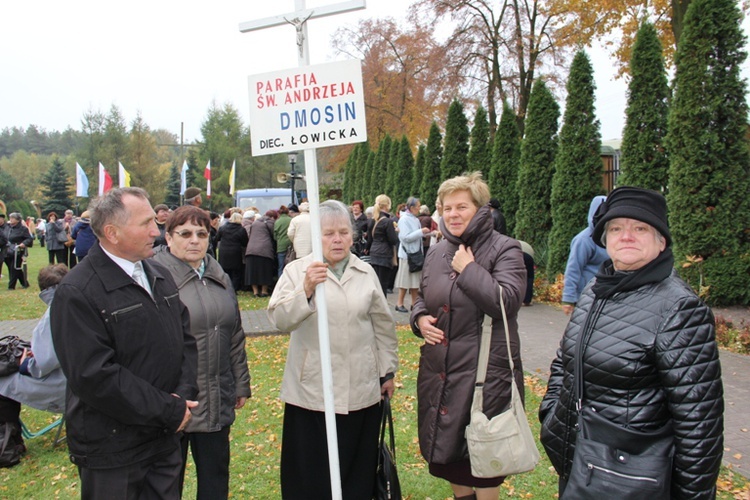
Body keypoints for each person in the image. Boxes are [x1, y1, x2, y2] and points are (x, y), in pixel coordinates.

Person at [539, 186, 724, 499]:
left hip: (631, 479)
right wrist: (552, 413)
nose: (626, 236)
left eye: (640, 228)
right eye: (615, 228)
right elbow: (564, 359)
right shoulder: (597, 288)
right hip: (580, 463)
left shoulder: (679, 308)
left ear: (661, 240)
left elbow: (699, 425)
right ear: (604, 239)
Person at [50, 187, 198, 500]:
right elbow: (94, 375)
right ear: (112, 233)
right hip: (114, 448)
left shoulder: (158, 273)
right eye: (145, 223)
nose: (156, 231)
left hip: (164, 436)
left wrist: (181, 400)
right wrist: (169, 409)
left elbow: (183, 341)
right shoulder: (78, 291)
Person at [268, 199, 398, 499]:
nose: (337, 239)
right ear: (316, 236)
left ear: (353, 236)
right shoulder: (297, 270)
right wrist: (306, 290)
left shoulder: (365, 274)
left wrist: (387, 371)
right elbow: (278, 319)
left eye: (343, 232)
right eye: (328, 233)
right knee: (310, 474)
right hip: (311, 393)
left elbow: (383, 327)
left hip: (360, 390)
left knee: (355, 471)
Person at [410, 172, 527, 500]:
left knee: (484, 461)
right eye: (447, 208)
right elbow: (424, 295)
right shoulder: (437, 250)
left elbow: (507, 302)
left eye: (462, 207)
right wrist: (419, 318)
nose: (453, 214)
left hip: (485, 374)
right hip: (440, 372)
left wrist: (470, 270)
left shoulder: (505, 248)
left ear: (481, 209)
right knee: (448, 459)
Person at [152, 205, 251, 499]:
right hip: (173, 401)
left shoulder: (219, 275)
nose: (194, 240)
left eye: (202, 233)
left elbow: (234, 333)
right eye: (185, 233)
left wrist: (240, 382)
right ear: (168, 238)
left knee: (215, 478)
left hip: (216, 397)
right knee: (168, 481)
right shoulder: (154, 277)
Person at [0, 264, 69, 463]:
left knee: (3, 383)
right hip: (80, 379)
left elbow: (43, 364)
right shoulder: (78, 303)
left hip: (65, 385)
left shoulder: (55, 312)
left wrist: (25, 362)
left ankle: (9, 443)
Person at [560, 195, 609, 315]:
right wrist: (568, 298)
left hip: (605, 293)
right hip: (585, 295)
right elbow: (573, 268)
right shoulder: (584, 240)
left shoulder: (611, 237)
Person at [395, 197, 430, 313]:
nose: (419, 209)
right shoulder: (404, 219)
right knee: (405, 281)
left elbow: (415, 235)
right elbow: (405, 237)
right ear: (411, 208)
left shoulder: (414, 219)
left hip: (415, 253)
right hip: (407, 254)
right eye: (418, 207)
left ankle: (414, 303)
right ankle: (399, 303)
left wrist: (427, 234)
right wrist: (421, 232)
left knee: (415, 281)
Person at [366, 194, 399, 296]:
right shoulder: (388, 221)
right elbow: (393, 240)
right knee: (383, 284)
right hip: (384, 254)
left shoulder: (373, 220)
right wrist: (396, 231)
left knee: (375, 282)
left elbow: (369, 239)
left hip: (374, 252)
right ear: (387, 205)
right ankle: (382, 306)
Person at [244, 209, 277, 297]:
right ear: (273, 217)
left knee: (252, 272)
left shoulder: (255, 223)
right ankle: (264, 291)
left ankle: (255, 292)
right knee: (265, 271)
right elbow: (274, 236)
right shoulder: (270, 223)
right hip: (264, 250)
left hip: (251, 249)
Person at [216, 212, 249, 291]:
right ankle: (233, 288)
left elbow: (217, 238)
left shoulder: (223, 228)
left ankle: (225, 287)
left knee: (225, 270)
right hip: (235, 252)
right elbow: (245, 242)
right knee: (236, 272)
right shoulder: (241, 229)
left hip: (224, 251)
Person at [5, 213, 33, 290]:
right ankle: (25, 283)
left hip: (17, 250)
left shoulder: (23, 229)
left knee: (14, 268)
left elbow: (29, 239)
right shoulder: (8, 228)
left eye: (12, 218)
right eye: (10, 218)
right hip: (7, 250)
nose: (10, 219)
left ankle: (11, 286)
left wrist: (23, 243)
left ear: (17, 220)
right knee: (14, 268)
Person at [274, 205, 293, 277]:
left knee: (281, 267)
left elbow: (275, 236)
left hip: (281, 246)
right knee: (290, 266)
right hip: (290, 245)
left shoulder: (277, 222)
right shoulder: (291, 220)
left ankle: (280, 284)